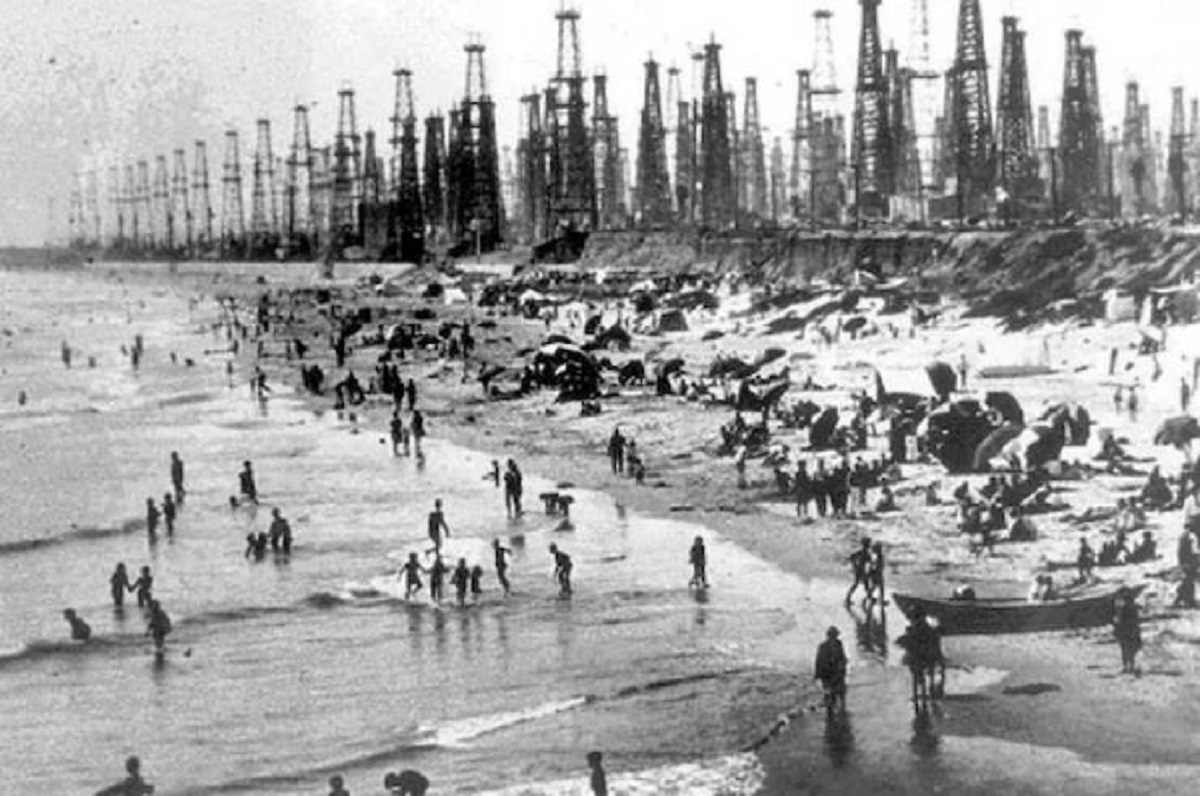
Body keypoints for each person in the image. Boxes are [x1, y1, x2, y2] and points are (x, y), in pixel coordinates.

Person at [814, 626, 848, 712]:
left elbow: (842, 657)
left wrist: (843, 666)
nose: (834, 637)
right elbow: (819, 661)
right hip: (827, 674)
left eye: (835, 635)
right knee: (829, 694)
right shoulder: (823, 646)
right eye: (833, 635)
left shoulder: (839, 644)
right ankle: (830, 711)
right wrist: (818, 674)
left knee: (841, 692)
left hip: (838, 673)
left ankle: (842, 709)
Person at [1113, 587, 1142, 674]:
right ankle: (1130, 666)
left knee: (1126, 649)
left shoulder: (1124, 608)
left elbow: (1119, 620)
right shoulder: (1131, 607)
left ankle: (1128, 666)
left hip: (1127, 630)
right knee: (1129, 649)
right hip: (1129, 630)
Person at [845, 538, 872, 604]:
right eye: (869, 543)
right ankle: (848, 599)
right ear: (867, 544)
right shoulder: (865, 552)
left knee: (864, 584)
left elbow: (851, 557)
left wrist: (855, 565)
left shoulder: (862, 552)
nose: (870, 545)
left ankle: (869, 597)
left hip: (860, 570)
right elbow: (852, 557)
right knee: (859, 584)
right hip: (860, 570)